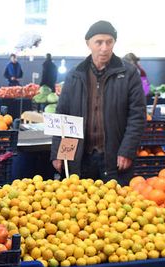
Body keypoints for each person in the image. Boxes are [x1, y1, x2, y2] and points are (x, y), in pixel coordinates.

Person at [50, 20, 146, 185]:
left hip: (114, 157)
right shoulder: (75, 75)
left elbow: (137, 116)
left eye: (109, 42)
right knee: (79, 207)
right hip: (80, 157)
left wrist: (127, 151)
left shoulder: (129, 74)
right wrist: (59, 153)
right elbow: (63, 116)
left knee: (115, 207)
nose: (104, 48)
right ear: (88, 43)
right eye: (99, 42)